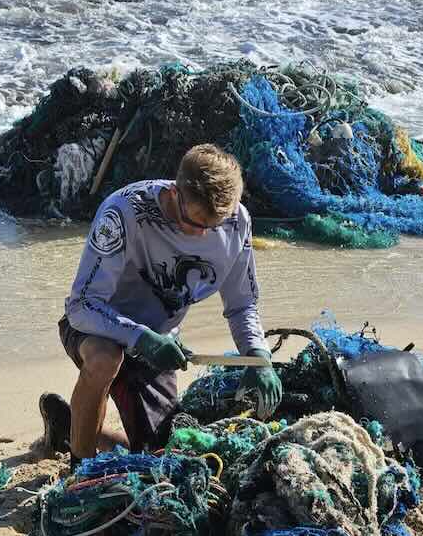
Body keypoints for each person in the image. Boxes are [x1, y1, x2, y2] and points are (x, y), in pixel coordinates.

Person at [39, 144, 282, 465]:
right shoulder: (124, 213)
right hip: (97, 327)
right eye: (192, 222)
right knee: (106, 358)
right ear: (174, 191)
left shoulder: (237, 223)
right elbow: (82, 304)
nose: (200, 234)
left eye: (212, 226)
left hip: (160, 345)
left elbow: (242, 305)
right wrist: (140, 338)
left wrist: (257, 354)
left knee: (162, 455)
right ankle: (80, 466)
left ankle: (68, 425)